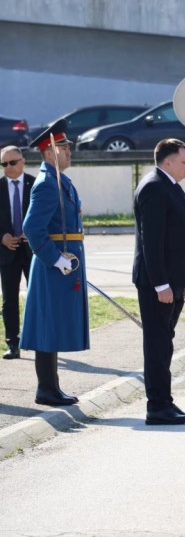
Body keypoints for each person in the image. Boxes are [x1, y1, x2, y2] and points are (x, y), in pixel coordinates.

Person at [20, 120, 88, 406]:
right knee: (48, 325)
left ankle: (52, 386)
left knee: (54, 323)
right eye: (64, 147)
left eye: (68, 147)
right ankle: (46, 389)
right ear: (49, 152)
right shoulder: (47, 184)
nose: (69, 151)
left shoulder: (60, 180)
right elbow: (32, 227)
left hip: (63, 263)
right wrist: (56, 258)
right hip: (54, 265)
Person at [132, 138, 185, 426]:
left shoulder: (169, 185)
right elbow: (152, 241)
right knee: (157, 345)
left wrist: (184, 281)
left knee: (164, 344)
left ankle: (165, 402)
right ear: (168, 161)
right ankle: (158, 406)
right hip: (157, 285)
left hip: (173, 284)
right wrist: (161, 284)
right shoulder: (154, 187)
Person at [0, 146, 33, 359]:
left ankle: (39, 340)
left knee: (36, 296)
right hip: (7, 251)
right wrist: (2, 237)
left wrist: (35, 233)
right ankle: (13, 343)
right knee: (9, 299)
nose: (8, 167)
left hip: (34, 251)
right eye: (4, 164)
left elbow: (49, 216)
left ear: (23, 162)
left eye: (12, 162)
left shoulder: (36, 185)